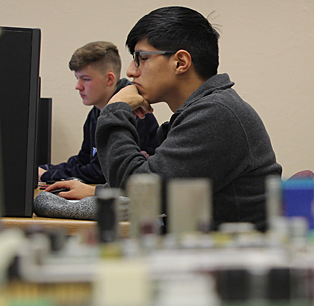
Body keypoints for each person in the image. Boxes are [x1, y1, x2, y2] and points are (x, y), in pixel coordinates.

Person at [95, 6, 282, 230]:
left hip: (227, 259)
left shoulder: (217, 114)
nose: (130, 71)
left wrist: (115, 109)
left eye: (141, 58)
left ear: (181, 62)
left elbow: (142, 193)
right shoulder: (209, 109)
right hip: (210, 252)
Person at [39, 41, 160, 200]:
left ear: (109, 79)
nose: (78, 86)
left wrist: (49, 175)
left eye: (85, 79)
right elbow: (84, 160)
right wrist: (46, 169)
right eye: (77, 78)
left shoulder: (134, 112)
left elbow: (101, 171)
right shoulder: (96, 112)